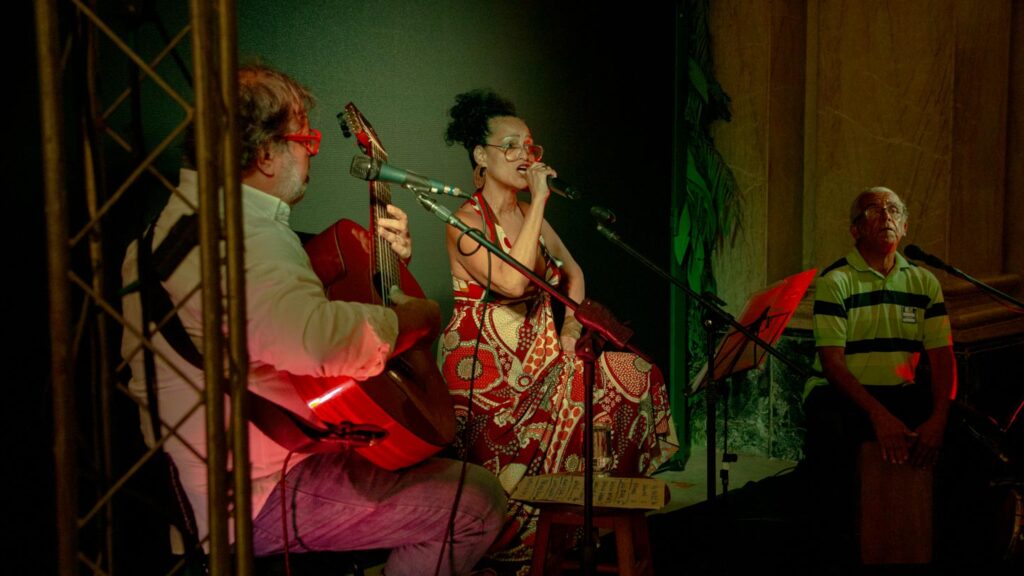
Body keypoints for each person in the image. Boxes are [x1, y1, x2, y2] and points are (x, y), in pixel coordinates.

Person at [120, 64, 505, 576]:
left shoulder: (169, 233)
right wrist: (409, 318)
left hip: (217, 481)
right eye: (307, 141)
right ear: (265, 153)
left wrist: (386, 272)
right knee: (475, 501)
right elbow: (320, 343)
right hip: (254, 493)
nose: (312, 155)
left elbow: (271, 321)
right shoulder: (244, 237)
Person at [438, 89, 672, 572]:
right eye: (510, 146)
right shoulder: (463, 221)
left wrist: (568, 332)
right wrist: (540, 201)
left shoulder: (530, 215)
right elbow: (512, 281)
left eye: (529, 146)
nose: (524, 155)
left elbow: (574, 272)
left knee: (635, 376)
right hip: (488, 372)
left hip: (544, 353)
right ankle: (525, 543)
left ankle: (587, 517)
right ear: (480, 156)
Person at [802, 186, 957, 568]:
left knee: (958, 436)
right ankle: (833, 551)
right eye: (874, 210)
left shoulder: (924, 282)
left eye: (894, 210)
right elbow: (833, 365)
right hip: (843, 391)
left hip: (899, 389)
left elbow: (942, 358)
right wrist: (878, 415)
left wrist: (939, 419)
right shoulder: (836, 281)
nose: (886, 216)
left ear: (904, 226)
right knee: (830, 436)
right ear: (855, 230)